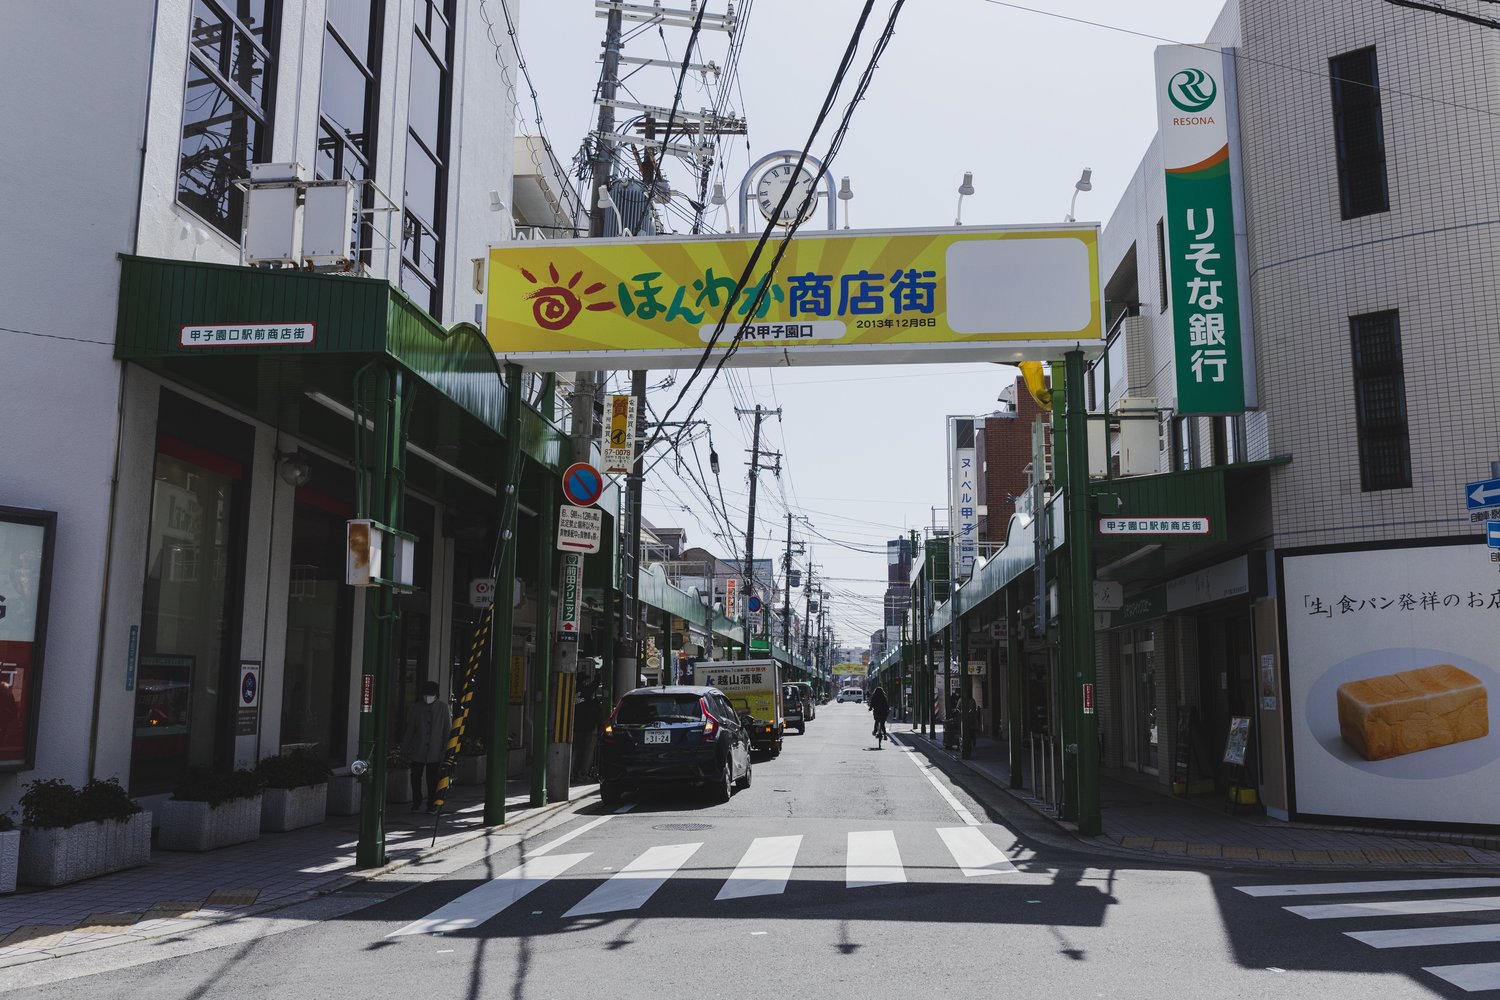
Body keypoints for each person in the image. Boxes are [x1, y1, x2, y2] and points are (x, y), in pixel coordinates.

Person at [401, 680, 451, 813]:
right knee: (415, 777)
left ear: (436, 695)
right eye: (426, 695)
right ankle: (416, 801)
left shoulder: (443, 708)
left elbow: (447, 730)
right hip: (418, 749)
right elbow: (410, 729)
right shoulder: (416, 708)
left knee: (432, 779)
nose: (428, 697)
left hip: (435, 750)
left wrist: (447, 750)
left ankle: (431, 803)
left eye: (430, 695)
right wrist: (404, 749)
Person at [572, 671, 604, 781]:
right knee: (588, 750)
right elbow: (595, 684)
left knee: (578, 750)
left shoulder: (572, 692)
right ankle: (583, 773)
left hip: (576, 726)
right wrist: (598, 674)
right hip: (589, 725)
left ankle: (574, 772)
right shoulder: (585, 690)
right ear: (584, 681)